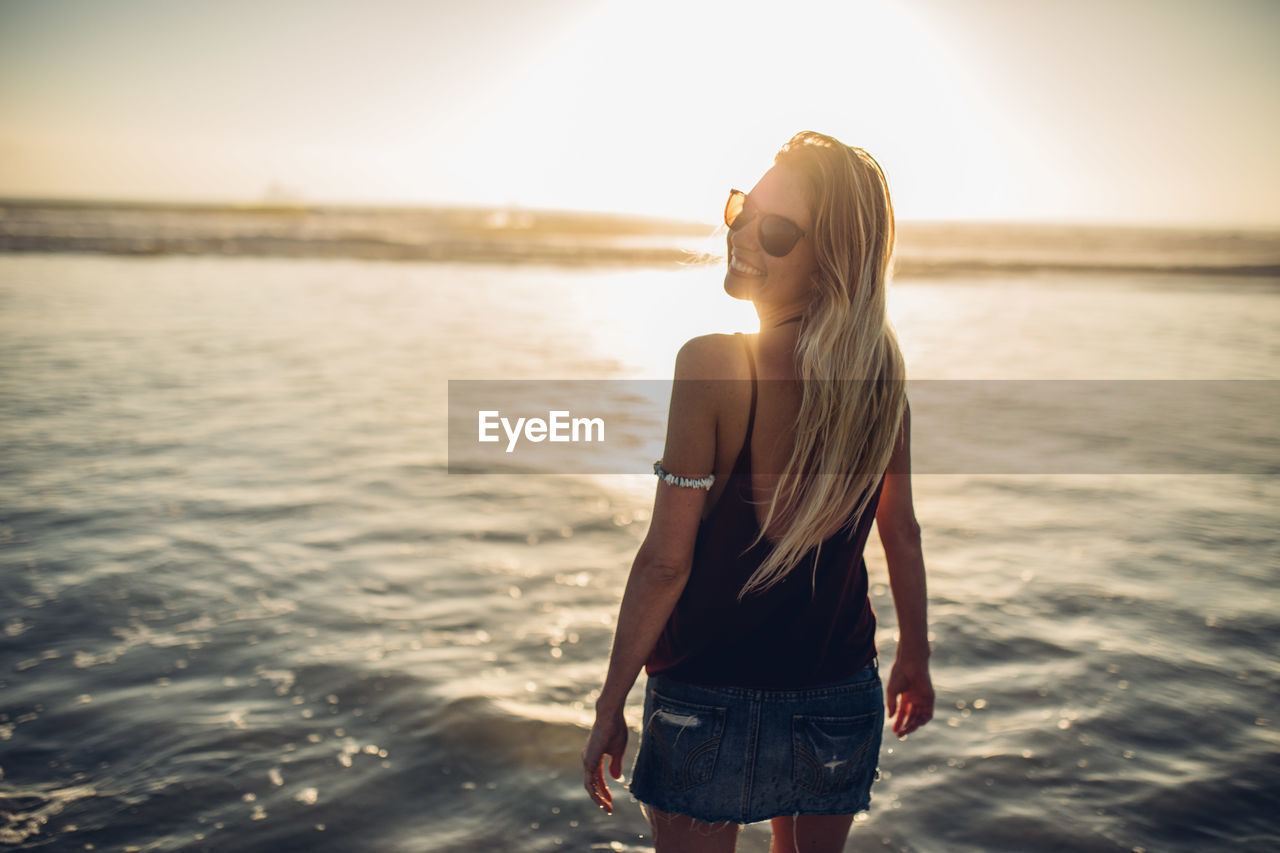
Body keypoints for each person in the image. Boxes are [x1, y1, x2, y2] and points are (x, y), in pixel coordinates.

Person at [582, 131, 934, 853]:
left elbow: (664, 562)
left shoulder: (713, 364)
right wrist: (914, 658)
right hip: (837, 695)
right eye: (743, 208)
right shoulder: (879, 389)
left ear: (829, 260)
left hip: (704, 694)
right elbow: (902, 533)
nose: (742, 233)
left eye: (776, 230)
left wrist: (610, 700)